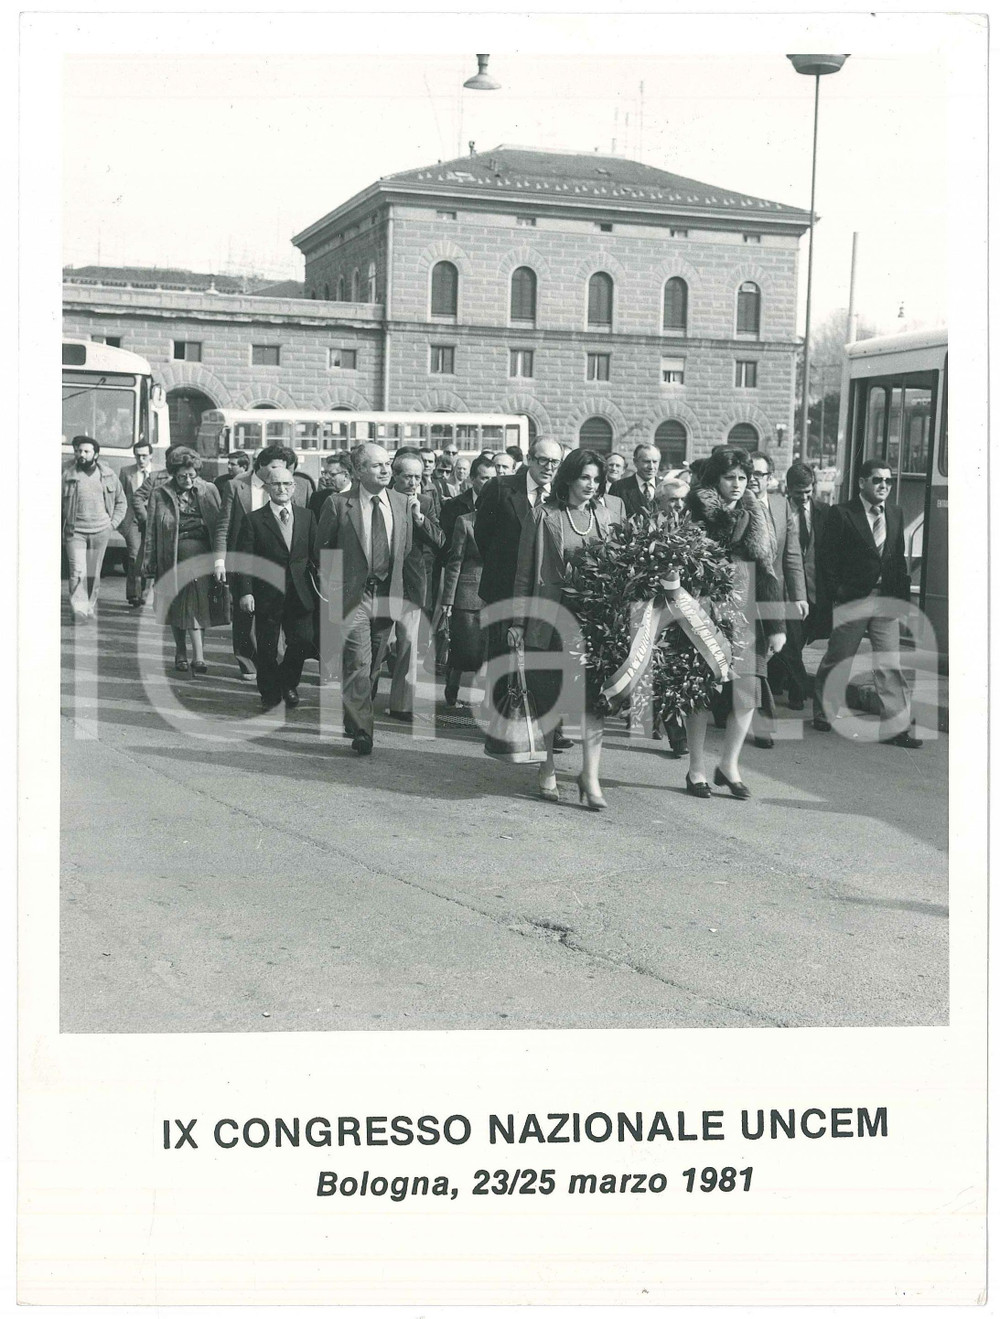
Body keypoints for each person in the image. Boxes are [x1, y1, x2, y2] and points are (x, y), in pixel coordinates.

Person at [509, 449, 621, 809]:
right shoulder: (544, 516)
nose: (591, 485)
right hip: (551, 619)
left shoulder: (607, 515)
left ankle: (590, 776)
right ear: (570, 478)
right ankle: (548, 766)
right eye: (585, 477)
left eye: (596, 479)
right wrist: (517, 622)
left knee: (594, 700)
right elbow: (525, 572)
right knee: (550, 696)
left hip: (596, 622)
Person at [683, 447, 786, 799]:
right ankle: (696, 769)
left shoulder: (755, 512)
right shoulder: (696, 510)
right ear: (715, 479)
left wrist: (776, 627)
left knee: (747, 694)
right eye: (730, 478)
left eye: (743, 478)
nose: (738, 484)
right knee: (699, 691)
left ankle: (729, 766)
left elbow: (768, 571)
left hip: (745, 610)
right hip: (703, 607)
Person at [811, 460, 922, 748]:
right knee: (840, 657)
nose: (884, 486)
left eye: (887, 481)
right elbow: (828, 559)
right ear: (862, 483)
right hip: (853, 599)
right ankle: (825, 711)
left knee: (889, 662)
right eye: (877, 480)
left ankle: (897, 726)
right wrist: (839, 591)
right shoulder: (842, 513)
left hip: (885, 599)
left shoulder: (895, 514)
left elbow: (897, 558)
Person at [317, 442, 413, 755]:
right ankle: (363, 731)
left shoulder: (401, 502)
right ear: (359, 471)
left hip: (387, 594)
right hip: (353, 596)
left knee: (373, 664)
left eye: (387, 464)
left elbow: (405, 550)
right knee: (358, 660)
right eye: (376, 465)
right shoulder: (338, 503)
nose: (385, 470)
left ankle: (354, 712)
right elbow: (324, 552)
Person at [219, 444, 307, 680]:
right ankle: (247, 661)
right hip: (244, 556)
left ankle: (271, 663)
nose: (279, 472)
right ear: (261, 465)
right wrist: (220, 559)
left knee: (274, 615)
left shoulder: (288, 485)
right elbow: (224, 526)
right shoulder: (237, 485)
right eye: (274, 466)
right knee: (244, 612)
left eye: (284, 468)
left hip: (277, 559)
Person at [234, 468, 318, 710]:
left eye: (287, 484)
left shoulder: (307, 517)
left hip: (300, 594)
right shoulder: (253, 520)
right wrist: (246, 592)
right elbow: (245, 559)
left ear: (294, 487)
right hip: (266, 594)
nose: (282, 488)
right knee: (268, 648)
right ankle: (270, 693)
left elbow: (316, 555)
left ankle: (289, 683)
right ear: (267, 488)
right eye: (277, 484)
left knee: (303, 641)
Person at [141, 447, 225, 674]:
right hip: (171, 556)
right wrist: (148, 560)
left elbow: (219, 527)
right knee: (177, 604)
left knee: (199, 603)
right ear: (173, 474)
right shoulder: (160, 493)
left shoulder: (209, 490)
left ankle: (199, 655)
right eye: (182, 476)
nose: (187, 480)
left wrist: (221, 559)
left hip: (201, 556)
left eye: (192, 475)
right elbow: (151, 530)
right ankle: (180, 650)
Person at [746, 451, 807, 748]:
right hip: (740, 595)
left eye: (760, 475)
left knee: (760, 656)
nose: (754, 480)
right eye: (750, 474)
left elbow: (792, 556)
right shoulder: (736, 505)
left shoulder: (783, 507)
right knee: (753, 660)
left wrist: (799, 596)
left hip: (772, 594)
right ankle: (760, 721)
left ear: (771, 478)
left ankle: (749, 715)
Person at [385, 450, 445, 721]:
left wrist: (420, 519)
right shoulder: (381, 499)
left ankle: (401, 704)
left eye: (417, 477)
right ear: (394, 475)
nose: (412, 482)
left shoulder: (427, 501)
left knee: (408, 643)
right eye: (407, 476)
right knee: (378, 644)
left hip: (412, 582)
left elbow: (441, 540)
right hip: (383, 581)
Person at [769, 462, 832, 709]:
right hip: (785, 589)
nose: (804, 498)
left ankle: (775, 679)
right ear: (788, 488)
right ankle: (798, 690)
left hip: (815, 589)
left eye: (808, 492)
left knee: (797, 640)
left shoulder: (825, 512)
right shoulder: (778, 510)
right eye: (799, 493)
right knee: (792, 642)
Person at [440, 456, 496, 707]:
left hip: (495, 594)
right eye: (485, 478)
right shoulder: (465, 521)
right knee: (466, 649)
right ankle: (452, 688)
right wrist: (448, 600)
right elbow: (455, 562)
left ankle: (487, 699)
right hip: (468, 594)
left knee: (489, 650)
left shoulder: (502, 522)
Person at [62, 435, 128, 622]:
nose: (81, 454)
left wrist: (112, 524)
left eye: (86, 451)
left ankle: (89, 606)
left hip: (100, 531)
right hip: (75, 532)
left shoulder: (108, 475)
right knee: (77, 571)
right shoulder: (67, 474)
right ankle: (79, 609)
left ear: (95, 454)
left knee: (93, 572)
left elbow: (121, 502)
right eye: (78, 451)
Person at [118, 439, 155, 608]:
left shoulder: (158, 472)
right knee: (134, 556)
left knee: (149, 555)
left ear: (151, 456)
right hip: (132, 520)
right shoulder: (126, 472)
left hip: (152, 519)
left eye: (145, 456)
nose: (141, 459)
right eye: (138, 456)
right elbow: (120, 497)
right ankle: (134, 594)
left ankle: (145, 594)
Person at [611, 443, 661, 518]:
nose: (651, 467)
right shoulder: (619, 488)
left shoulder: (665, 487)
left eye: (655, 462)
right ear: (635, 462)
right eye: (646, 461)